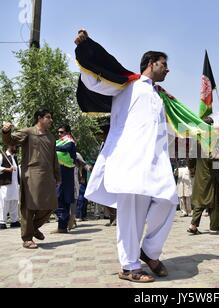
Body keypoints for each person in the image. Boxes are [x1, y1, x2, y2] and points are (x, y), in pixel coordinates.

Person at [76, 30, 178, 283]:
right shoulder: (127, 84)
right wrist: (86, 49)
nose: (168, 70)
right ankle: (129, 266)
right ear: (151, 63)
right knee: (131, 214)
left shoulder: (159, 94)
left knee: (168, 200)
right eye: (164, 64)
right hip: (130, 161)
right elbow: (95, 80)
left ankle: (149, 251)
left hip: (155, 163)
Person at [2, 109, 61, 249]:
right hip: (31, 174)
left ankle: (33, 228)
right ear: (39, 118)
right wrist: (6, 132)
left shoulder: (51, 137)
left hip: (47, 175)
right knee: (29, 206)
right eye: (48, 117)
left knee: (51, 204)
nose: (51, 120)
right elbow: (10, 140)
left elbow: (54, 159)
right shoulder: (28, 132)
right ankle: (27, 238)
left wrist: (57, 176)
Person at [187, 117, 219, 236]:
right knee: (215, 201)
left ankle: (193, 226)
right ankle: (214, 228)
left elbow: (191, 159)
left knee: (200, 200)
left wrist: (192, 170)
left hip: (200, 175)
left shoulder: (196, 140)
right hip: (211, 175)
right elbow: (212, 158)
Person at [54, 124, 77, 234]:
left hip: (66, 172)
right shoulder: (58, 142)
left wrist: (51, 146)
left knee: (62, 197)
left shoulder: (70, 141)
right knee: (58, 198)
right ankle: (63, 224)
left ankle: (64, 224)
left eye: (61, 132)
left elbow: (66, 149)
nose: (59, 134)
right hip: (58, 172)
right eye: (58, 132)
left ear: (67, 133)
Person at [0, 145, 21, 229]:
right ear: (9, 146)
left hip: (14, 184)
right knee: (4, 202)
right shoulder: (1, 155)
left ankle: (14, 221)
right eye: (15, 146)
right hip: (5, 183)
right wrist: (7, 169)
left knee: (14, 201)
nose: (17, 148)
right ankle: (2, 222)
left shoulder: (14, 157)